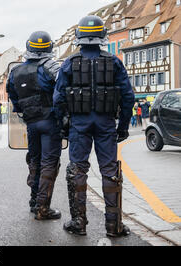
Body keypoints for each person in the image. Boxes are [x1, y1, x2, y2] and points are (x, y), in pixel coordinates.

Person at [54, 15, 135, 237]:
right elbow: (128, 97)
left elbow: (58, 98)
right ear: (102, 36)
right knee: (110, 171)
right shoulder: (114, 61)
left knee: (77, 170)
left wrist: (63, 125)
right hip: (106, 122)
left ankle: (78, 223)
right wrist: (124, 126)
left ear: (79, 36)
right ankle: (114, 226)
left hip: (79, 124)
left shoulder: (70, 62)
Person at [7, 31, 62, 220]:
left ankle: (33, 201)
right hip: (50, 121)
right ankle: (42, 208)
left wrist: (22, 109)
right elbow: (62, 91)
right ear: (49, 48)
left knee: (34, 160)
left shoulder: (16, 71)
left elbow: (12, 94)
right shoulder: (51, 67)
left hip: (31, 122)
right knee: (49, 163)